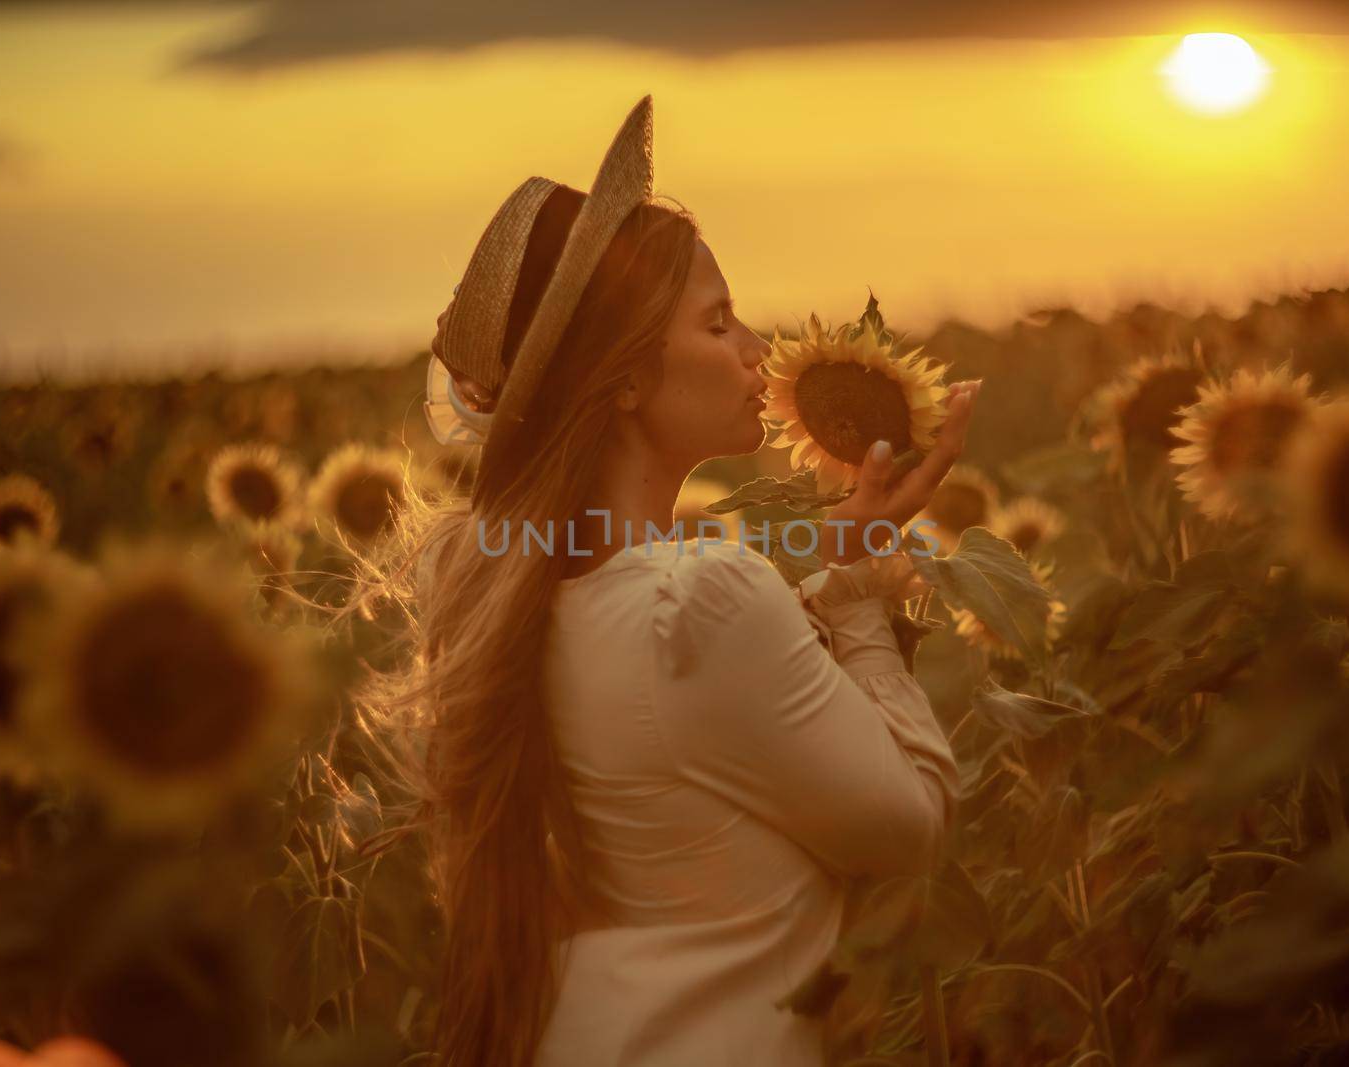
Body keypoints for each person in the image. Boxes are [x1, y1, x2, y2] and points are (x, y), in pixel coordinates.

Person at [375, 94, 976, 1067]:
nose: (755, 351)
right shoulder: (698, 605)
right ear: (622, 376)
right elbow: (906, 825)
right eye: (718, 322)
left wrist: (838, 551)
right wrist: (859, 590)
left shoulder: (513, 595)